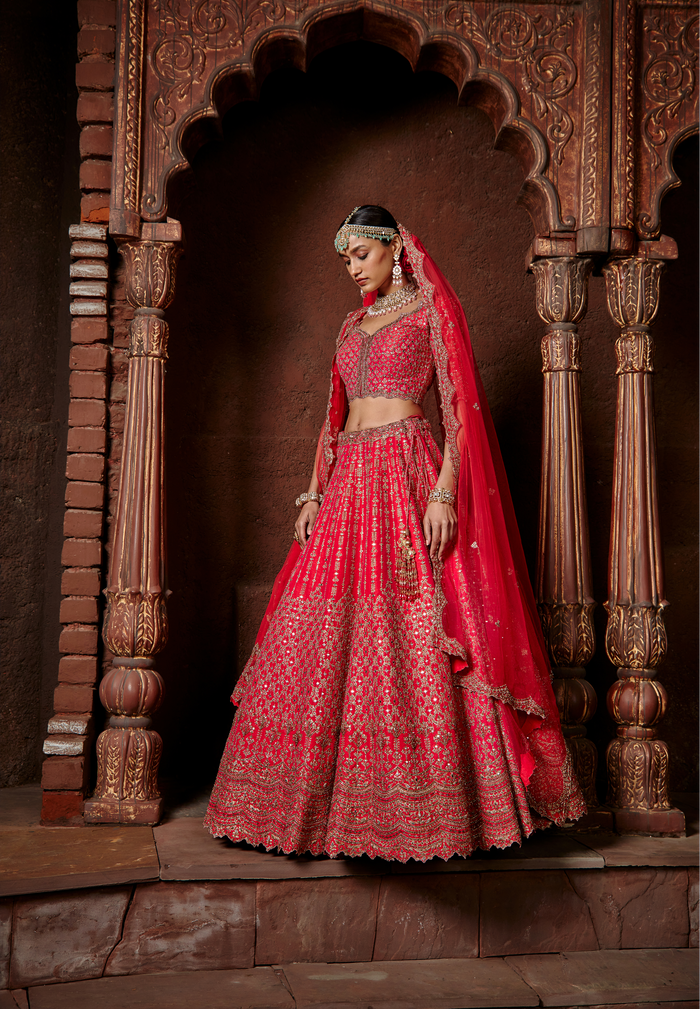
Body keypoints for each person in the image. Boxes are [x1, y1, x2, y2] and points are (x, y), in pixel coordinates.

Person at [204, 205, 585, 861]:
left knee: (414, 623)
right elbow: (333, 418)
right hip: (349, 477)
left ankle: (435, 813)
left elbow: (460, 412)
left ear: (394, 249)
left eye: (362, 254)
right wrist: (312, 492)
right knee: (322, 631)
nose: (353, 268)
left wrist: (444, 492)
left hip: (408, 473)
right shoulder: (351, 325)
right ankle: (308, 811)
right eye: (346, 258)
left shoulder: (431, 312)